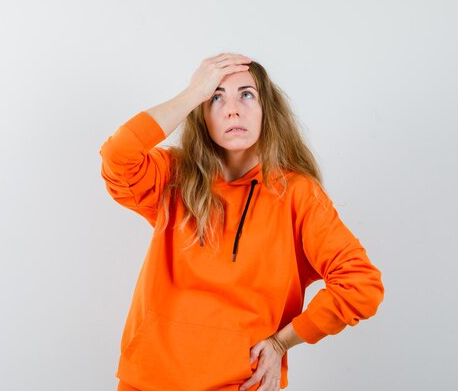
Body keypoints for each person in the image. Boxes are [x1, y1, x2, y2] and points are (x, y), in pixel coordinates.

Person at [99, 53, 384, 391]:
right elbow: (118, 157)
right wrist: (192, 94)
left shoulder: (296, 193)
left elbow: (360, 286)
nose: (232, 109)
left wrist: (282, 342)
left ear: (268, 110)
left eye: (246, 94)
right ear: (201, 115)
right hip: (148, 380)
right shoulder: (174, 176)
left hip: (238, 383)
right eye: (216, 97)